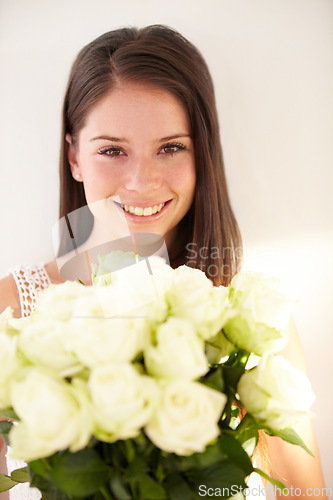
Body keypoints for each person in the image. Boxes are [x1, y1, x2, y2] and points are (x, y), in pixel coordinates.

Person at [0, 25, 327, 499]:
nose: (141, 182)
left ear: (202, 153)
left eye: (171, 147)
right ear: (74, 156)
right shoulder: (11, 312)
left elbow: (305, 495)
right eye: (112, 150)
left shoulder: (254, 320)